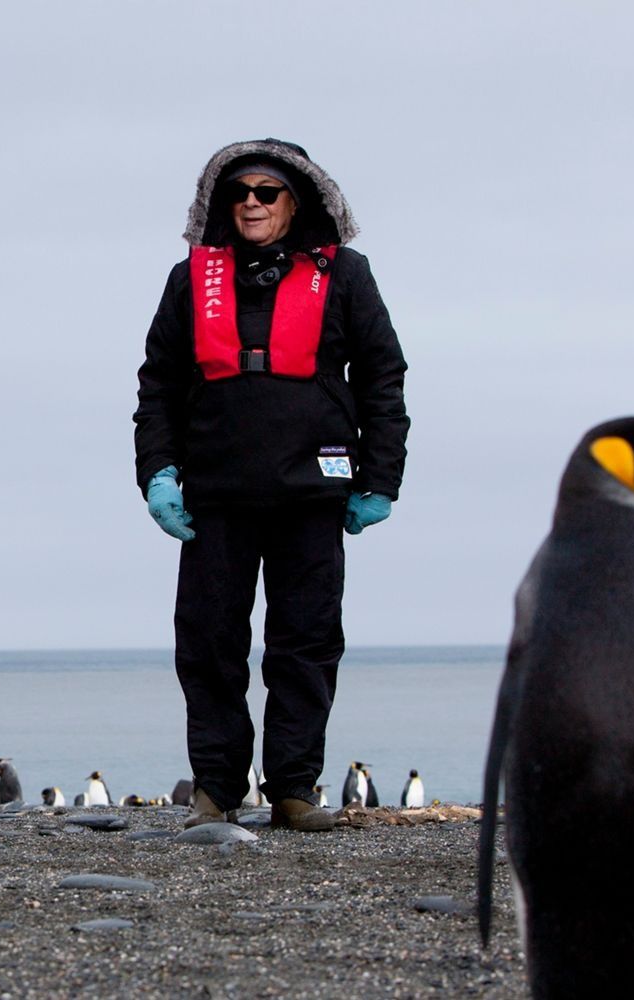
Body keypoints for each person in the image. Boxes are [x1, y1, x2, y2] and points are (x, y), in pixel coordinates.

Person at [132, 138, 409, 833]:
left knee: (307, 642)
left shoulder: (344, 274)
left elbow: (383, 378)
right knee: (209, 645)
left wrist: (380, 480)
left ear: (297, 201)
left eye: (267, 192)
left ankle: (294, 789)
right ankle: (216, 792)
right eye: (240, 192)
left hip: (312, 491)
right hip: (215, 493)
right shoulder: (189, 280)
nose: (251, 203)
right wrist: (158, 474)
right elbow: (158, 385)